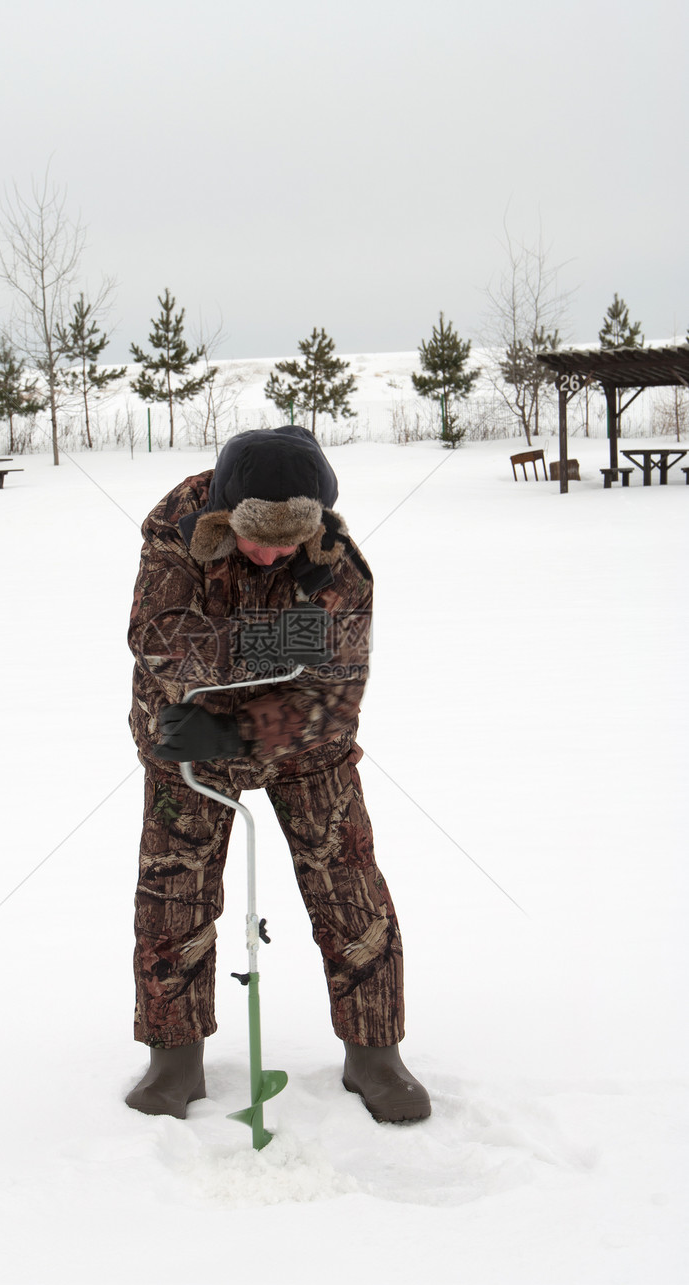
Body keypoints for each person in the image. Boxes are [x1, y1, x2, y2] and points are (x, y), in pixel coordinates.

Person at [125, 426, 430, 1124]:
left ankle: (374, 1052)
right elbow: (160, 638)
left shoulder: (339, 562)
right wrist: (283, 642)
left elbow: (337, 685)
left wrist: (240, 724)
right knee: (175, 892)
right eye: (259, 538)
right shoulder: (178, 524)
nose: (274, 554)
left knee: (349, 884)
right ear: (225, 516)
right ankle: (174, 1058)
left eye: (290, 542)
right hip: (184, 739)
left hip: (303, 745)